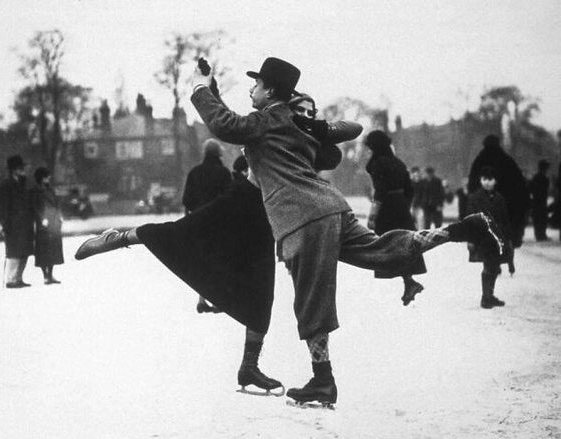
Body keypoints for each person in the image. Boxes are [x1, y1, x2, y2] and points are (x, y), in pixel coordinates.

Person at [187, 56, 506, 407]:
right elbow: (330, 136)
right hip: (332, 208)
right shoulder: (296, 124)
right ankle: (461, 229)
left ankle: (323, 380)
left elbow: (225, 125)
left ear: (272, 90)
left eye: (257, 84)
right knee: (383, 250)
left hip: (303, 219)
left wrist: (201, 87)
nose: (252, 89)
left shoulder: (267, 119)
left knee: (311, 299)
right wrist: (216, 89)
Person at [75, 90, 363, 397]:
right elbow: (230, 123)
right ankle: (119, 238)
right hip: (244, 201)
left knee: (261, 293)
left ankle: (249, 367)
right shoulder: (272, 127)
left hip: (269, 215)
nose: (307, 115)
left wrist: (318, 126)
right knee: (180, 233)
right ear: (288, 111)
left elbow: (345, 138)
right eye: (301, 110)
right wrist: (209, 91)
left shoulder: (306, 136)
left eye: (312, 110)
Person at [364, 131, 426, 305]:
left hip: (387, 210)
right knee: (404, 243)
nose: (368, 152)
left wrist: (373, 215)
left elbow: (380, 191)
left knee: (388, 243)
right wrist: (403, 205)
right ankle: (409, 282)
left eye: (369, 148)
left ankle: (408, 283)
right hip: (401, 207)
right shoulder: (398, 163)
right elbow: (410, 189)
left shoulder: (378, 163)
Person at [182, 138, 232, 313]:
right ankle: (218, 301)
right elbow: (230, 198)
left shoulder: (194, 173)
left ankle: (201, 299)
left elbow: (186, 200)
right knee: (218, 260)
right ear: (219, 154)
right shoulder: (224, 173)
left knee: (202, 261)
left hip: (198, 222)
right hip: (219, 223)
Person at [468, 134, 529, 248]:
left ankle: (490, 264)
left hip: (484, 207)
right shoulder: (508, 161)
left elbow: (472, 187)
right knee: (505, 238)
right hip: (507, 207)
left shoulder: (479, 161)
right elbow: (520, 188)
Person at [466, 166, 513, 309]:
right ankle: (485, 297)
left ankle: (489, 295)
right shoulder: (474, 198)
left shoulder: (499, 198)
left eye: (490, 179)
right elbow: (469, 220)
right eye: (484, 179)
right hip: (482, 238)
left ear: (495, 181)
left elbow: (505, 219)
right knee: (488, 266)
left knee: (494, 266)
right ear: (480, 180)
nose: (487, 182)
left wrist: (509, 239)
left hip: (497, 239)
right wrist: (470, 239)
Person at [0, 155, 34, 288]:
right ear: (13, 169)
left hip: (24, 224)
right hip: (13, 224)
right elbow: (2, 206)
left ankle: (18, 278)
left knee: (24, 251)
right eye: (20, 168)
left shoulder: (22, 183)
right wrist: (5, 224)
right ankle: (10, 279)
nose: (23, 170)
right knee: (13, 252)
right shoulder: (6, 185)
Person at [30, 167, 64, 284]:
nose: (48, 178)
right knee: (43, 250)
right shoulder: (35, 191)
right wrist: (41, 219)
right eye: (46, 176)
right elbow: (35, 207)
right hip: (44, 223)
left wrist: (60, 215)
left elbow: (57, 204)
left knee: (53, 249)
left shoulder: (50, 189)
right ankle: (45, 275)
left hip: (54, 221)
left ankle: (50, 274)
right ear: (41, 178)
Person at [529, 159, 550, 241]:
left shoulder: (536, 177)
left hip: (537, 200)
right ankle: (541, 234)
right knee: (541, 217)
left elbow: (531, 188)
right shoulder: (543, 178)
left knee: (539, 217)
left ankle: (540, 234)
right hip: (540, 200)